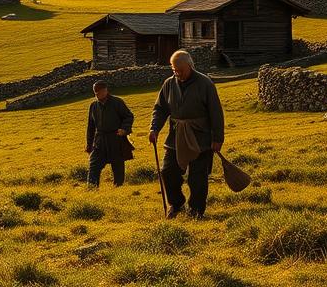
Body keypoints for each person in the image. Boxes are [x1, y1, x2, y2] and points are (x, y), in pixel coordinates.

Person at [148, 50, 225, 219]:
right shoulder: (169, 84)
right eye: (174, 70)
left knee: (197, 177)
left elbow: (216, 113)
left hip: (200, 137)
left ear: (190, 66)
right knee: (168, 171)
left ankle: (196, 210)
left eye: (180, 70)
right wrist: (154, 128)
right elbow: (160, 109)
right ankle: (176, 204)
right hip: (175, 137)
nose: (178, 73)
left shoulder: (205, 84)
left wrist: (217, 138)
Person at [85, 80, 134, 187]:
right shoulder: (93, 106)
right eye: (95, 93)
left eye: (99, 92)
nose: (97, 95)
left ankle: (118, 188)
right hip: (99, 140)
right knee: (94, 164)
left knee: (117, 166)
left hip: (115, 138)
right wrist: (89, 146)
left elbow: (128, 116)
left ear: (105, 90)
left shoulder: (117, 102)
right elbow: (91, 127)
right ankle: (91, 189)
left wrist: (124, 129)